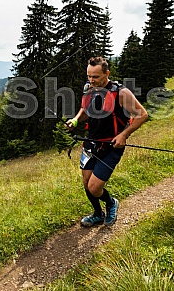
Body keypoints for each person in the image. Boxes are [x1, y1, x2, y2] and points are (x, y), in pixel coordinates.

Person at [66, 56, 148, 227]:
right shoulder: (88, 89)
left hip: (112, 146)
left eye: (95, 77)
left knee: (95, 187)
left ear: (107, 73)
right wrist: (75, 120)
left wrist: (124, 135)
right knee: (86, 183)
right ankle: (97, 213)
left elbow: (142, 115)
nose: (91, 80)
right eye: (88, 76)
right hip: (90, 143)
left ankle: (111, 204)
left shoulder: (121, 93)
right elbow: (85, 110)